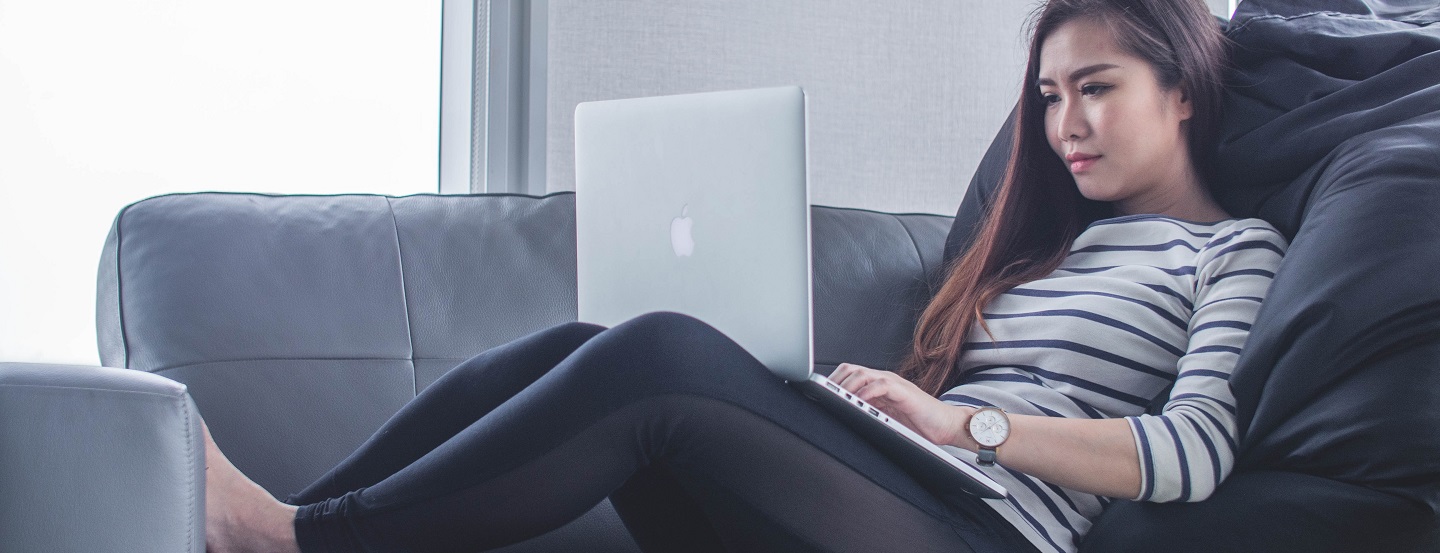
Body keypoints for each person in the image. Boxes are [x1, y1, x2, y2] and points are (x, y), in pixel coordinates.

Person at [203, 0, 1288, 551]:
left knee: (663, 354)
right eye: (1047, 98)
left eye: (1093, 88)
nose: (1063, 126)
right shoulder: (1050, 245)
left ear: (1183, 87)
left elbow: (1191, 454)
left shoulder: (1233, 250)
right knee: (593, 344)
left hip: (993, 533)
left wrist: (967, 427)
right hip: (907, 491)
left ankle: (297, 536)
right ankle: (303, 512)